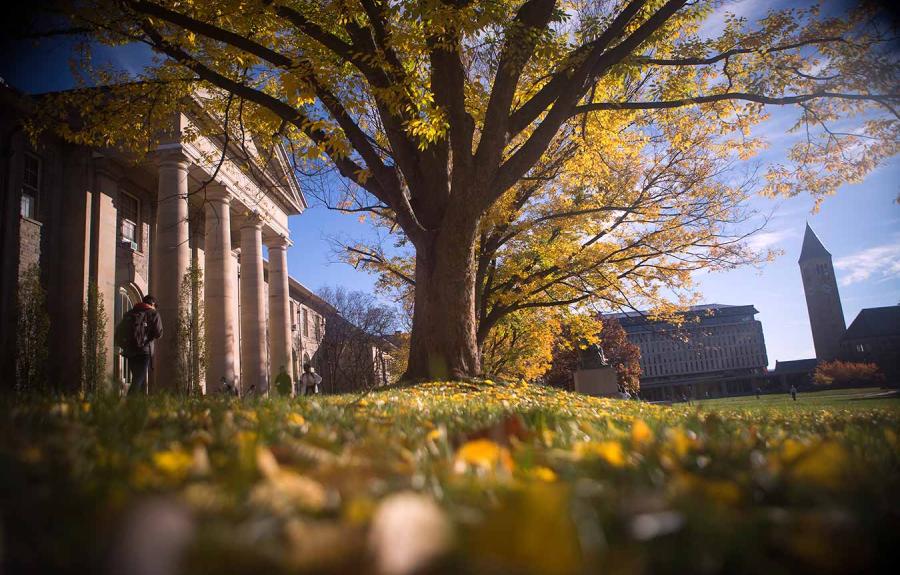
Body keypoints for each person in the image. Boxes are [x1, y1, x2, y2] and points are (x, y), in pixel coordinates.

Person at [116, 295, 163, 396]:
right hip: (144, 351)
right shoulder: (153, 313)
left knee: (139, 379)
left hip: (130, 350)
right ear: (153, 304)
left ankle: (139, 408)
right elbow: (159, 333)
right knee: (138, 379)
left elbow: (119, 332)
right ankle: (128, 405)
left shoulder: (130, 313)